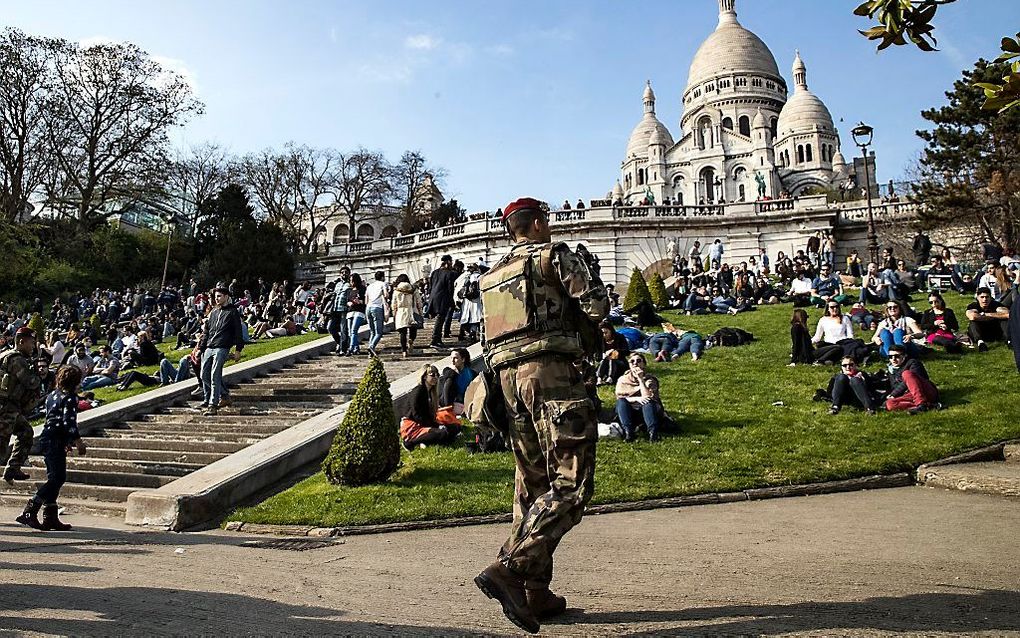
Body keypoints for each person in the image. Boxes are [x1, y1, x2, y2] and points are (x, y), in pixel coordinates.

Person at [474, 197, 609, 634]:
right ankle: (511, 569)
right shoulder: (554, 255)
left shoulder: (490, 277)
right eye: (545, 221)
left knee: (531, 483)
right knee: (571, 483)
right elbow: (596, 307)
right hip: (550, 373)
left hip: (507, 383)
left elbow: (487, 336)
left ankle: (535, 591)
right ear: (534, 224)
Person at [15, 365, 87, 531]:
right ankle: (30, 510)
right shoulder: (70, 398)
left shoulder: (52, 395)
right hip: (55, 439)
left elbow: (53, 419)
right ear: (75, 381)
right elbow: (68, 422)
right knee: (57, 478)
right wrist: (78, 441)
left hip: (48, 438)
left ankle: (50, 516)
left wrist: (66, 441)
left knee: (54, 476)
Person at [1, 327, 41, 483]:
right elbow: (30, 382)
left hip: (10, 409)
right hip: (6, 409)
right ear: (21, 341)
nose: (33, 346)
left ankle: (13, 468)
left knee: (26, 433)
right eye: (31, 343)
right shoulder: (16, 359)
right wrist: (37, 374)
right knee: (1, 447)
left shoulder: (5, 355)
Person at [199, 287, 245, 416]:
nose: (216, 299)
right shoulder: (213, 312)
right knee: (204, 375)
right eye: (215, 296)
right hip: (209, 346)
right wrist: (201, 348)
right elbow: (207, 331)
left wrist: (238, 349)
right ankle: (224, 395)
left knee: (215, 374)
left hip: (222, 347)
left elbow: (238, 331)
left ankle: (212, 405)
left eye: (219, 296)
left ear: (226, 296)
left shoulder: (232, 311)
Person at [399, 364, 460, 449]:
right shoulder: (418, 391)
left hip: (425, 424)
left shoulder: (431, 392)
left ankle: (426, 441)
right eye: (432, 375)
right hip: (412, 426)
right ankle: (410, 442)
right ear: (424, 376)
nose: (436, 377)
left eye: (437, 375)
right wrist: (435, 426)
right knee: (443, 433)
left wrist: (436, 425)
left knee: (455, 427)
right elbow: (417, 415)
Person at [615, 353, 665, 442]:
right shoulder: (623, 379)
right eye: (632, 361)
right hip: (629, 411)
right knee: (621, 402)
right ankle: (629, 432)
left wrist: (641, 379)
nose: (635, 363)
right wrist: (637, 398)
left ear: (644, 364)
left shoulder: (650, 380)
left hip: (648, 412)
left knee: (648, 402)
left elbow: (648, 397)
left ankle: (653, 433)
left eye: (638, 361)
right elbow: (620, 397)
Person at [885, 345, 940, 413]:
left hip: (925, 390)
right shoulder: (890, 370)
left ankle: (921, 404)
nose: (893, 359)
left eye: (897, 356)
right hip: (910, 395)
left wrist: (894, 394)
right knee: (889, 404)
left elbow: (910, 380)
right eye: (890, 357)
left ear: (904, 356)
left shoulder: (913, 363)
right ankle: (928, 406)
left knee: (906, 374)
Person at [966, 287, 1011, 351]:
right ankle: (980, 343)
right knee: (973, 322)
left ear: (990, 297)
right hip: (980, 332)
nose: (984, 299)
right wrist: (996, 316)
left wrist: (987, 314)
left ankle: (1009, 341)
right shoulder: (973, 305)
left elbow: (1007, 314)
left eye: (987, 297)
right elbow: (972, 316)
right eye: (982, 297)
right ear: (977, 297)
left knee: (1004, 320)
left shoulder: (996, 304)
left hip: (995, 332)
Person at [428, 255, 458, 350]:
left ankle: (437, 339)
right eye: (451, 262)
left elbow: (430, 286)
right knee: (440, 319)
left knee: (439, 319)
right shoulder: (449, 273)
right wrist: (451, 301)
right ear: (448, 262)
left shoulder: (434, 272)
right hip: (442, 298)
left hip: (433, 298)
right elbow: (450, 289)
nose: (452, 264)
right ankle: (435, 340)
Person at [391, 273, 423, 357]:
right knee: (413, 329)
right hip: (412, 311)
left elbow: (394, 304)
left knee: (402, 333)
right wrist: (420, 313)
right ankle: (411, 339)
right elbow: (419, 302)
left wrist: (394, 314)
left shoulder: (396, 290)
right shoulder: (413, 289)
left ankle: (404, 351)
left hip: (401, 312)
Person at [440, 348, 477, 415]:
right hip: (452, 402)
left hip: (465, 401)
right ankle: (448, 410)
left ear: (463, 359)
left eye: (455, 358)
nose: (452, 361)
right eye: (451, 358)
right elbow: (447, 387)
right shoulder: (448, 370)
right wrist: (453, 371)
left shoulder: (471, 373)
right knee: (449, 380)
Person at [365, 271, 389, 357]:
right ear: (382, 277)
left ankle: (370, 352)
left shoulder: (369, 286)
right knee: (379, 332)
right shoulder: (383, 284)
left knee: (372, 331)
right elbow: (386, 295)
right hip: (377, 308)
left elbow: (366, 300)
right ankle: (371, 346)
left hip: (368, 308)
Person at [345, 273, 367, 355]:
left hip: (359, 311)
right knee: (350, 331)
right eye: (350, 281)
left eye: (353, 281)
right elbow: (347, 301)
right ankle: (356, 347)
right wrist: (349, 303)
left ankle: (350, 348)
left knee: (354, 330)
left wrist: (359, 301)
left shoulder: (363, 289)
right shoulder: (349, 290)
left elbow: (366, 300)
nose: (352, 283)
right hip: (350, 311)